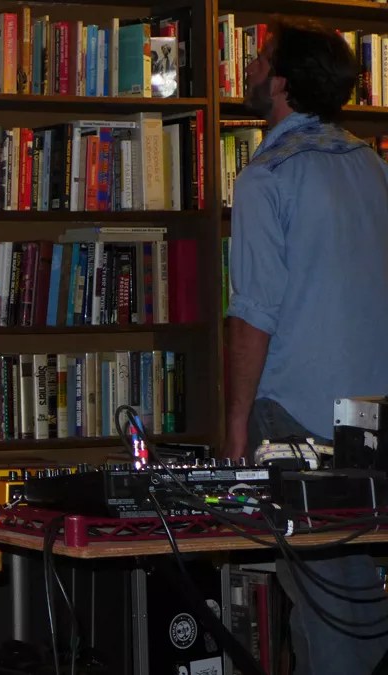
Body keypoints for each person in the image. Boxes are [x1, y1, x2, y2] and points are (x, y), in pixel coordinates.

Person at [223, 18, 388, 674]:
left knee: (324, 606)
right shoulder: (373, 167)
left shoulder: (266, 177)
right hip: (374, 416)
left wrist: (236, 425)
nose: (251, 68)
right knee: (358, 596)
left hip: (296, 415)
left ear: (283, 83)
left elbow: (253, 313)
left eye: (261, 60)